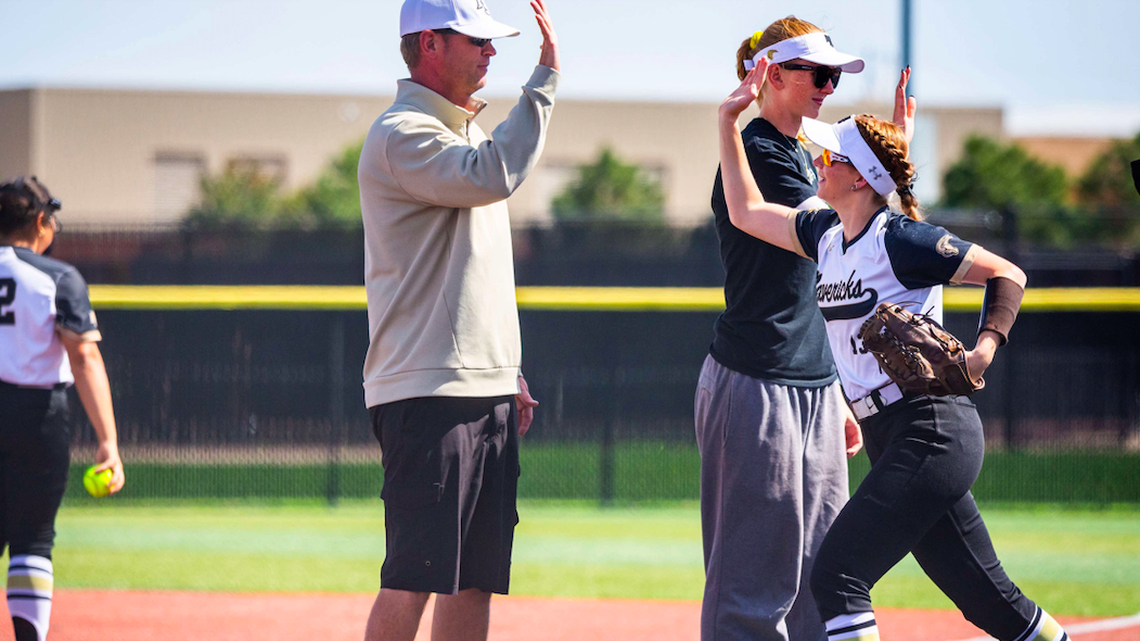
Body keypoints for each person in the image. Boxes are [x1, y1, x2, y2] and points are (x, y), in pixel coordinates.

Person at [715, 59, 1070, 641]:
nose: (819, 159)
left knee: (836, 577)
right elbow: (745, 212)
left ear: (860, 179)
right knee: (989, 600)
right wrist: (728, 124)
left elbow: (1008, 273)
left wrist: (983, 349)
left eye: (834, 156)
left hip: (932, 429)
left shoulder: (901, 240)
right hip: (892, 436)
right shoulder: (825, 237)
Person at [696, 17, 914, 641]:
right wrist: (888, 157)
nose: (827, 86)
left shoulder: (802, 153)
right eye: (817, 73)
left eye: (832, 75)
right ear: (769, 74)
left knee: (825, 577)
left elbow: (835, 281)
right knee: (752, 584)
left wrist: (838, 392)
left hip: (813, 383)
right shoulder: (761, 150)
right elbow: (844, 237)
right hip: (755, 380)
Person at [357, 0, 558, 639]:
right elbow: (493, 174)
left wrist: (506, 369)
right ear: (429, 44)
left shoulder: (465, 132)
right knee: (415, 576)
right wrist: (544, 85)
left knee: (475, 580)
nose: (491, 51)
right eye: (475, 39)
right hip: (428, 391)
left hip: (479, 387)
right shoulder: (401, 133)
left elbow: (475, 273)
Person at [0, 176, 124, 641]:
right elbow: (84, 355)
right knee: (32, 541)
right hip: (35, 415)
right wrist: (108, 442)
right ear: (40, 221)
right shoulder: (58, 277)